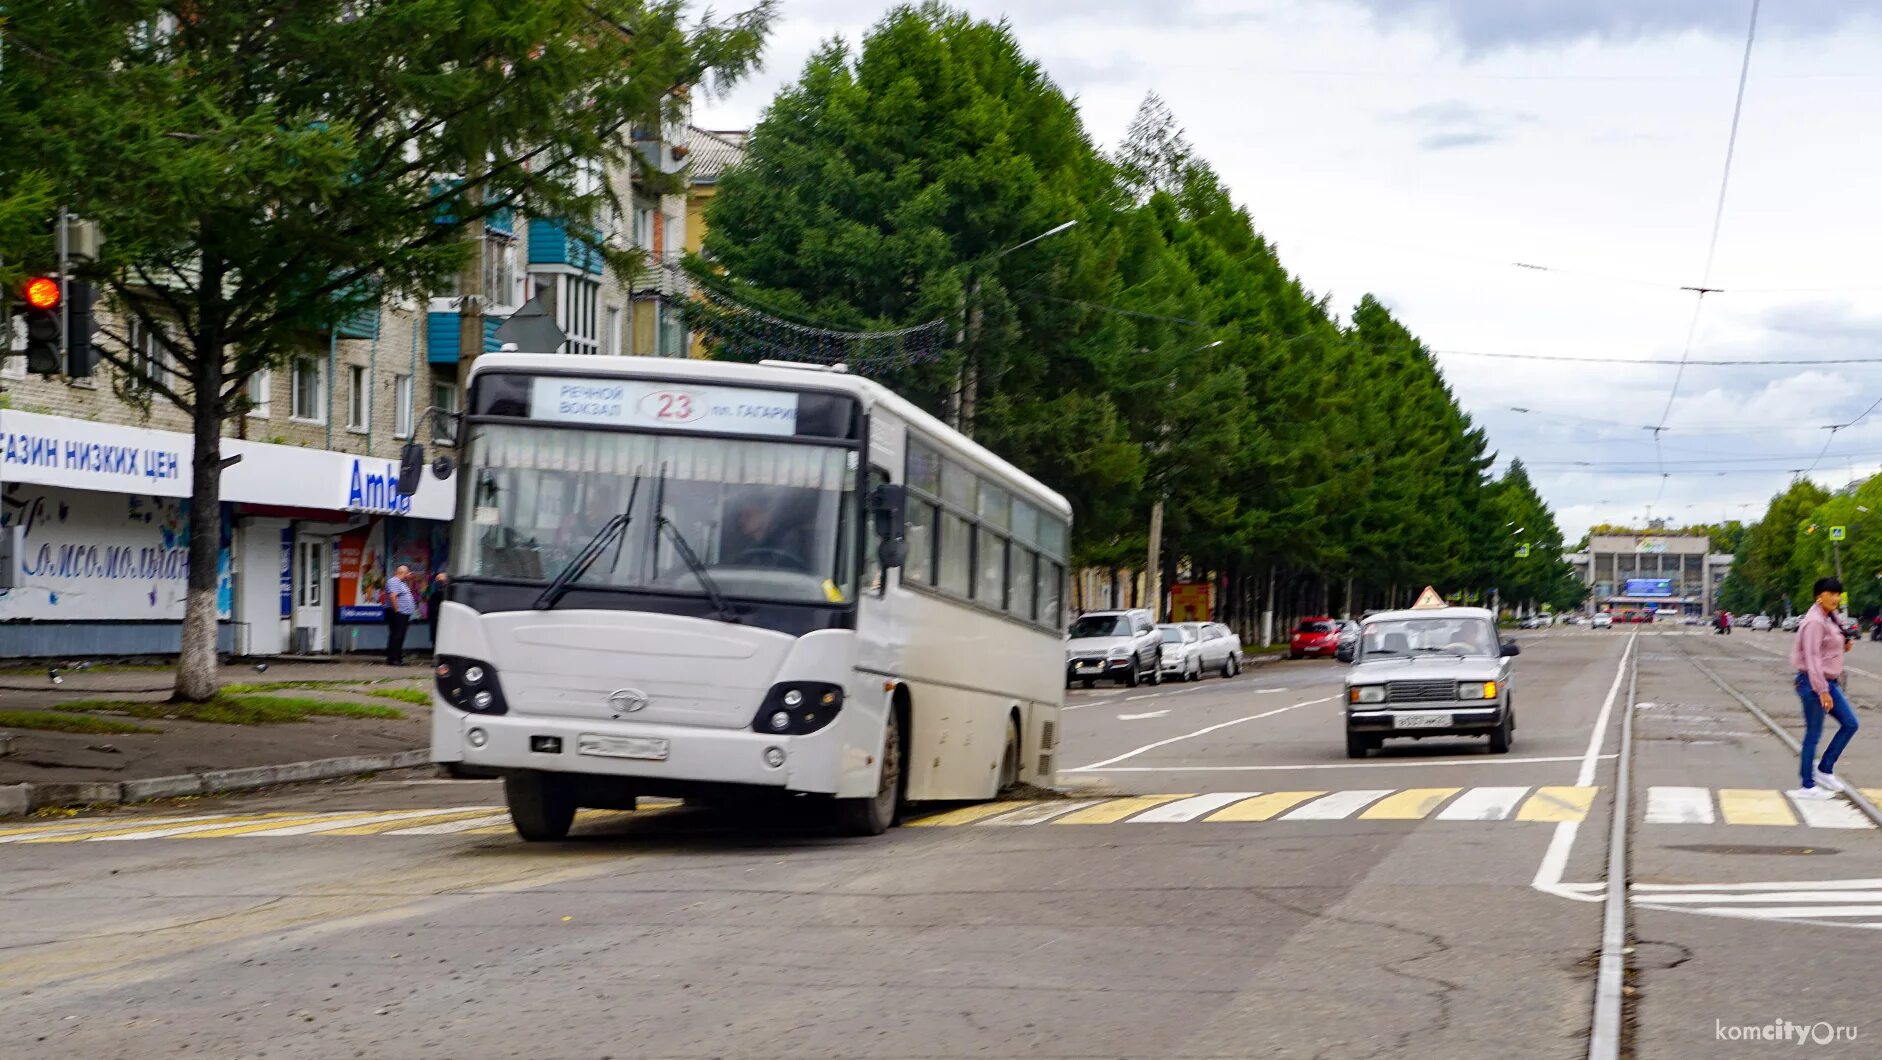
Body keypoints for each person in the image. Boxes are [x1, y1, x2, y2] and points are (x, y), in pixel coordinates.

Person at [1788, 577, 1861, 801]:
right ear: (1819, 596)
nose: (1836, 598)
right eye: (1832, 594)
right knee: (1813, 734)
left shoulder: (1830, 617)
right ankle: (1807, 785)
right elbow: (1812, 658)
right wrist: (1822, 690)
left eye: (1838, 594)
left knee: (1850, 724)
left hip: (1828, 682)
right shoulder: (1814, 622)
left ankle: (1825, 769)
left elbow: (1828, 650)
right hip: (1813, 683)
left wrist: (1845, 646)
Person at [384, 564, 417, 666]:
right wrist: (397, 610)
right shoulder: (394, 581)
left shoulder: (402, 583)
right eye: (407, 573)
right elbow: (393, 596)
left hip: (404, 613)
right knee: (397, 636)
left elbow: (407, 593)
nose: (409, 574)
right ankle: (393, 659)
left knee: (400, 636)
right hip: (398, 613)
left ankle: (398, 657)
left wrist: (410, 580)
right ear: (403, 573)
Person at [427, 571, 448, 638]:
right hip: (435, 621)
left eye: (441, 581)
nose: (439, 583)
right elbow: (430, 610)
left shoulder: (450, 594)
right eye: (437, 581)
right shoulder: (434, 595)